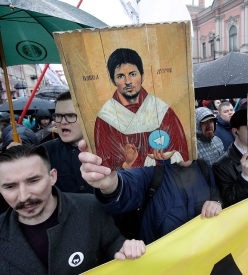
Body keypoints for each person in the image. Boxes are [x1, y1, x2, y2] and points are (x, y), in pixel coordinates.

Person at [0, 145, 145, 275]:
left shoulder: (89, 208)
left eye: (33, 181)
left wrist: (124, 249)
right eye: (10, 186)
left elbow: (112, 243)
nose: (24, 197)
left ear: (52, 177)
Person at [78, 139, 222, 245]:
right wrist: (111, 185)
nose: (185, 148)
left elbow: (216, 195)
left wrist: (217, 203)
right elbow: (128, 186)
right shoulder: (153, 168)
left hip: (201, 255)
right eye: (180, 141)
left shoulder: (203, 167)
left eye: (190, 141)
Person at [94, 48, 189, 170]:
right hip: (129, 186)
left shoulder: (162, 110)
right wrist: (127, 163)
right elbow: (105, 164)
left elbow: (183, 153)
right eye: (120, 76)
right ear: (113, 81)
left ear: (142, 76)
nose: (128, 81)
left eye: (133, 74)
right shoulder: (106, 118)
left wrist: (168, 158)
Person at [42, 92, 91, 193]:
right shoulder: (42, 153)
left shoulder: (108, 150)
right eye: (58, 116)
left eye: (71, 115)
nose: (63, 122)